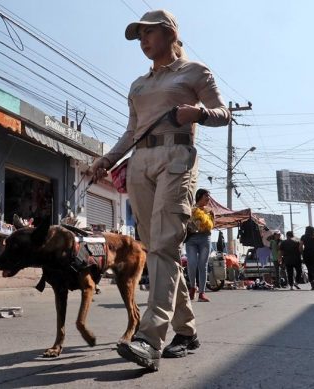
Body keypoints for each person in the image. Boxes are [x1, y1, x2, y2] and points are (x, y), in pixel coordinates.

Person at [87, 9, 230, 371]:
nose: (143, 41)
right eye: (139, 37)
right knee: (157, 251)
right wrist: (107, 159)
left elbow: (223, 112)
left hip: (178, 155)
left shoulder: (195, 72)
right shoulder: (137, 85)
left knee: (164, 245)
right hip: (140, 161)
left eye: (148, 33)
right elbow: (130, 130)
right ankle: (187, 331)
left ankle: (149, 340)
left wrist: (197, 113)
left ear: (169, 33)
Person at [185, 189, 215, 302]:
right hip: (191, 239)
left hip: (205, 238)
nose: (208, 198)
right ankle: (193, 287)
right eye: (206, 195)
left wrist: (212, 217)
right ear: (200, 196)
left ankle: (202, 293)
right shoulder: (191, 209)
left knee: (203, 265)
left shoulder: (210, 210)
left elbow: (212, 225)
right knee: (192, 263)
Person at [300, 226, 314, 290]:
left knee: (309, 268)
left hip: (306, 253)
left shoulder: (303, 237)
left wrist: (302, 253)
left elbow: (300, 246)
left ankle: (312, 281)